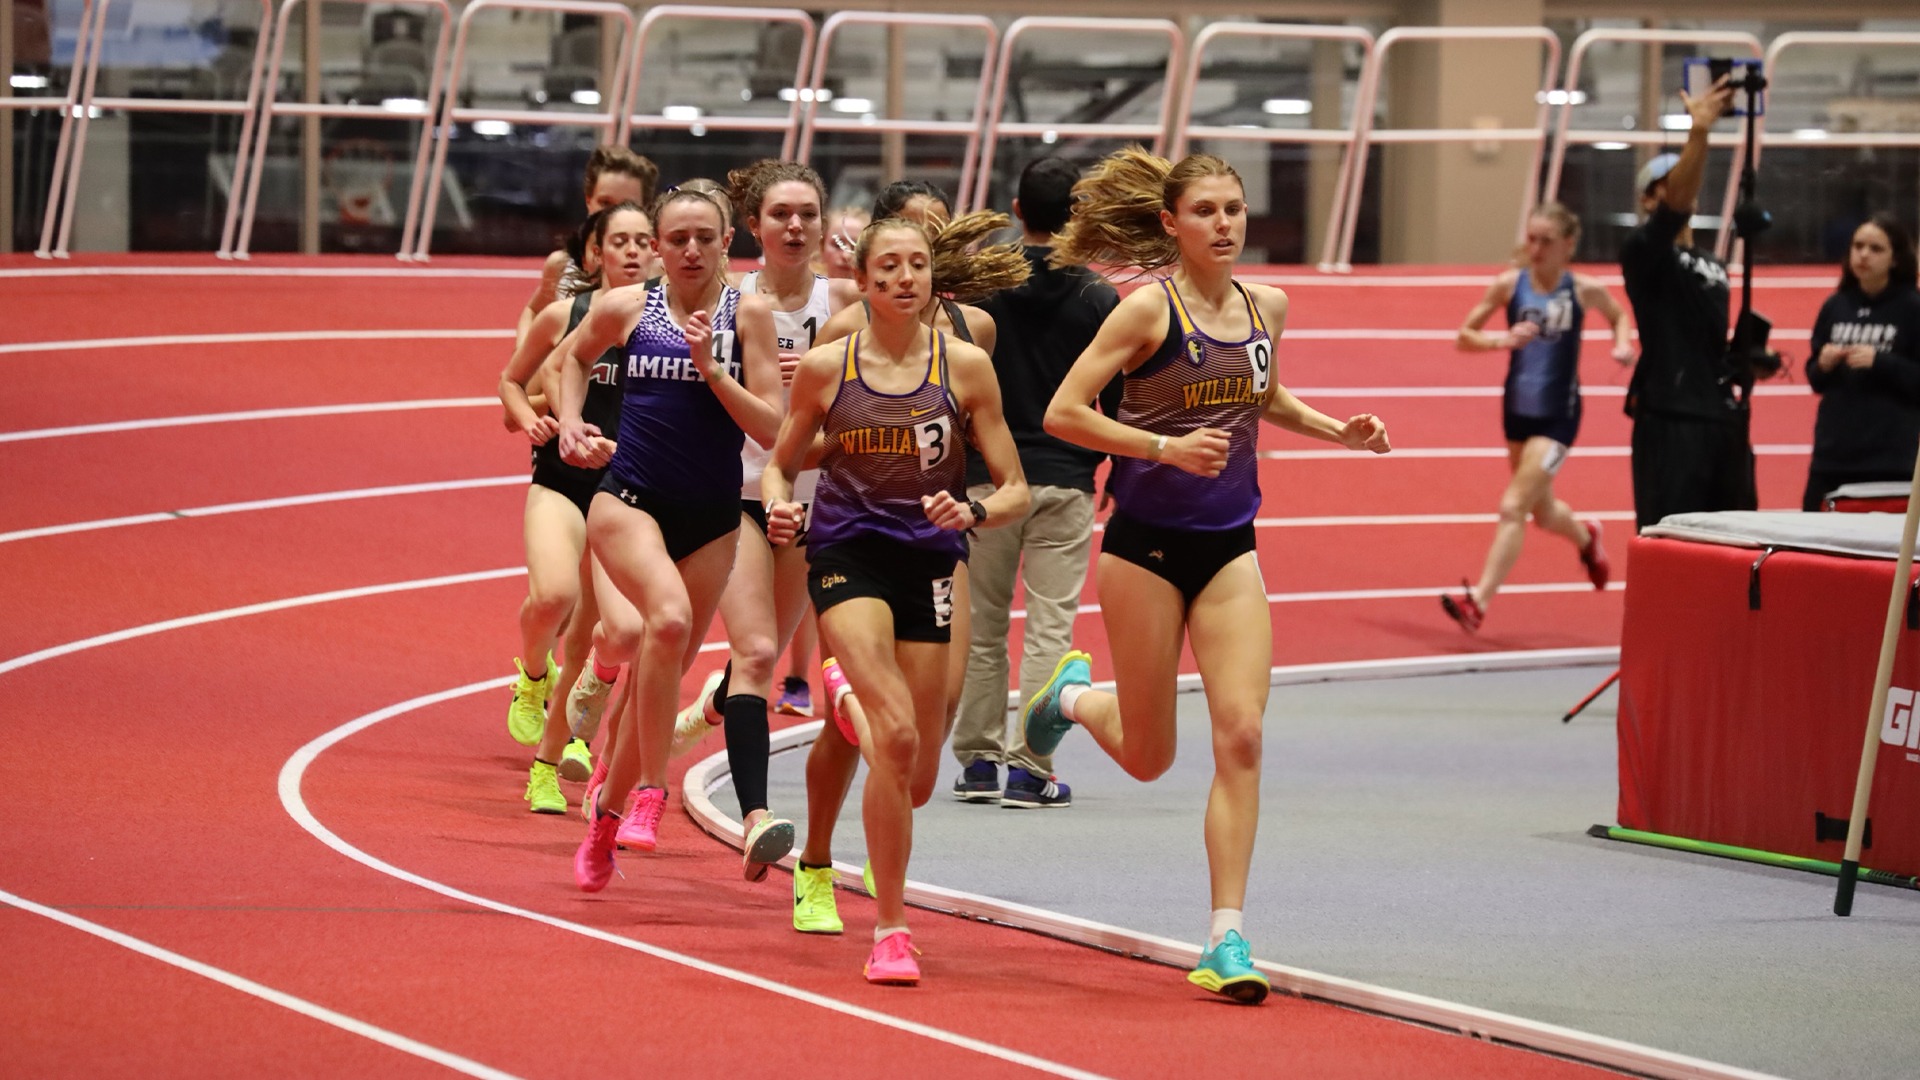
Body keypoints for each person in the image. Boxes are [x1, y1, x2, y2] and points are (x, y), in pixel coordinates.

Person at [1031, 147, 1390, 1005]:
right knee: (1151, 758)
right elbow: (1063, 413)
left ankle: (1226, 933)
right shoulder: (1142, 314)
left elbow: (1261, 395)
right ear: (1171, 223)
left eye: (1233, 209)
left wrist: (1338, 430)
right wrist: (1162, 447)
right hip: (1144, 550)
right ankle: (1071, 700)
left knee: (1242, 735)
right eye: (1206, 212)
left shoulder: (1268, 305)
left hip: (1231, 546)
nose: (1224, 225)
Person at [764, 214, 1031, 985]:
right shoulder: (826, 366)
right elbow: (782, 465)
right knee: (896, 730)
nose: (904, 279)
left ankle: (840, 734)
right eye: (889, 267)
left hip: (930, 566)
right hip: (847, 557)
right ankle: (891, 928)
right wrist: (783, 505)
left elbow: (1013, 487)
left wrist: (973, 512)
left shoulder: (968, 367)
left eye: (917, 265)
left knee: (910, 771)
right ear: (864, 281)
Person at [551, 185, 783, 891]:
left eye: (703, 238)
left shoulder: (751, 314)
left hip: (713, 512)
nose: (689, 250)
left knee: (665, 663)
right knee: (670, 618)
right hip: (628, 499)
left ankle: (605, 819)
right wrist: (569, 423)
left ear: (725, 245)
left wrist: (713, 371)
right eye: (675, 238)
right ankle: (651, 791)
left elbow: (772, 427)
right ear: (657, 245)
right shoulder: (628, 307)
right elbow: (569, 359)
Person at [661, 159, 859, 881]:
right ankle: (755, 818)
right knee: (753, 653)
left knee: (766, 655)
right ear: (753, 226)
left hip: (810, 501)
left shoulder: (849, 301)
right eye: (780, 214)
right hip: (736, 495)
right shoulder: (730, 303)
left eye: (808, 213)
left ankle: (711, 709)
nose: (796, 226)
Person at [951, 157, 1121, 808]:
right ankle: (1031, 765)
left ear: (1017, 213)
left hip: (989, 481)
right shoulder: (1100, 297)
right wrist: (1121, 471)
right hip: (1066, 478)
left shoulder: (982, 289)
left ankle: (976, 762)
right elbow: (1121, 401)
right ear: (1079, 216)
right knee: (1051, 625)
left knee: (986, 627)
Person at [497, 203, 653, 812]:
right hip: (562, 483)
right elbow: (511, 381)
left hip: (629, 495)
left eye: (646, 241)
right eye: (621, 242)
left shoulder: (672, 325)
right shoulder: (569, 316)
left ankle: (569, 722)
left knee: (620, 633)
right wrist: (536, 418)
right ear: (597, 254)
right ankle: (533, 676)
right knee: (555, 598)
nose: (634, 252)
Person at [1440, 202, 1632, 633]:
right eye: (1532, 239)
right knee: (1542, 513)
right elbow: (1464, 337)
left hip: (1559, 418)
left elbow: (1619, 316)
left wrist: (1621, 344)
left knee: (1513, 506)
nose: (1537, 248)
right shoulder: (1510, 285)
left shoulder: (1583, 290)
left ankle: (1478, 604)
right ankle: (1587, 539)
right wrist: (1501, 341)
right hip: (1517, 412)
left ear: (1569, 245)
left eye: (1547, 241)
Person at [1620, 78, 1755, 530]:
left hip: (1722, 418)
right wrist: (1699, 133)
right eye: (1665, 184)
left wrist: (1747, 360)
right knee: (1673, 541)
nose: (1680, 187)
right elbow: (1675, 207)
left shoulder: (1713, 263)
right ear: (1647, 200)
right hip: (1670, 420)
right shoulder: (1643, 252)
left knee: (1739, 541)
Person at [1804, 214, 1920, 510]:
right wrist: (1823, 364)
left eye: (1876, 248)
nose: (1864, 254)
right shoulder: (1835, 305)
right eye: (1858, 246)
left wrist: (1880, 362)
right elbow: (1815, 378)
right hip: (1831, 457)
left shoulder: (1912, 308)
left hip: (1889, 459)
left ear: (1895, 258)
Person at [517, 145, 659, 345]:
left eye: (626, 204)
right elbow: (532, 311)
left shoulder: (661, 275)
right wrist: (523, 358)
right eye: (605, 203)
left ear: (646, 208)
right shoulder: (560, 265)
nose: (613, 214)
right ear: (588, 200)